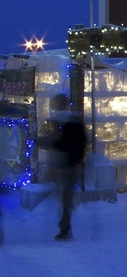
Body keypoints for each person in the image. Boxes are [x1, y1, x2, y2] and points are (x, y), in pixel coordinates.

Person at [40, 94, 88, 241]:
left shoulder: (66, 122)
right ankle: (64, 226)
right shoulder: (72, 121)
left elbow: (65, 143)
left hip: (65, 164)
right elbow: (82, 143)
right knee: (64, 198)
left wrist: (49, 143)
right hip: (66, 163)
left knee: (65, 197)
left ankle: (64, 228)